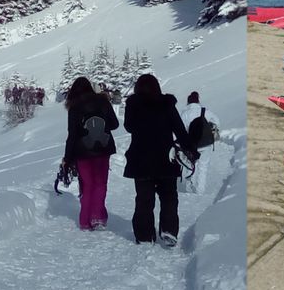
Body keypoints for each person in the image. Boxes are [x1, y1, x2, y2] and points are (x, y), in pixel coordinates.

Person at [123, 73, 199, 246]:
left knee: (144, 198)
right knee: (169, 197)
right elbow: (179, 130)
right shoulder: (167, 104)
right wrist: (191, 151)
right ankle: (169, 231)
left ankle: (144, 235)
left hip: (140, 158)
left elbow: (128, 127)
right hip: (166, 158)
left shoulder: (133, 105)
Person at [61, 76, 119, 231]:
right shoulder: (103, 101)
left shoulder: (74, 107)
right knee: (100, 183)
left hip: (83, 151)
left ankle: (85, 221)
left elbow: (72, 135)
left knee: (87, 185)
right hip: (103, 147)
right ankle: (98, 217)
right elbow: (115, 124)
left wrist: (67, 158)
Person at [179, 91, 220, 195]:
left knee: (190, 166)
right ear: (198, 101)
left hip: (191, 145)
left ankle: (189, 189)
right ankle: (200, 191)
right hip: (206, 144)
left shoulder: (185, 113)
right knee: (203, 167)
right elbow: (217, 122)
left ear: (188, 102)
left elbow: (179, 130)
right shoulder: (205, 111)